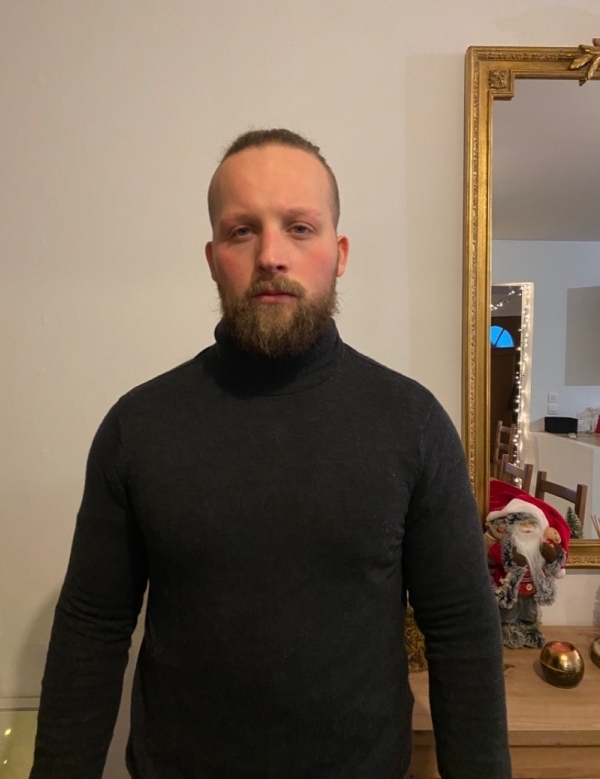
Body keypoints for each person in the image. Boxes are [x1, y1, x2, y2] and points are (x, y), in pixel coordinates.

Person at [30, 128, 511, 779]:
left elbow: (460, 630)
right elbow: (91, 628)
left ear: (339, 253)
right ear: (213, 258)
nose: (272, 256)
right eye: (242, 231)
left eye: (299, 228)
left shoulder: (413, 423)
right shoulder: (137, 427)